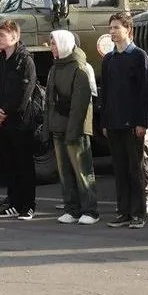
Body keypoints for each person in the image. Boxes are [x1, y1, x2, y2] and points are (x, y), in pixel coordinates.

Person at [101, 13, 148, 230]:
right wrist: (104, 121)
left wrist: (142, 122)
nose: (112, 31)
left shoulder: (139, 56)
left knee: (135, 168)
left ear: (128, 29)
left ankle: (138, 212)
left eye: (116, 27)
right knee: (120, 169)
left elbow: (145, 92)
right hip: (113, 123)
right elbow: (105, 93)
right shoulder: (109, 59)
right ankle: (123, 211)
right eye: (110, 28)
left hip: (132, 124)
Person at [0, 21, 38, 220]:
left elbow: (24, 94)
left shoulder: (25, 61)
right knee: (10, 164)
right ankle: (14, 203)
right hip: (2, 122)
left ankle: (28, 205)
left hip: (20, 122)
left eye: (2, 35)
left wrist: (5, 111)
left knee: (24, 165)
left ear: (15, 37)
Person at [47, 30, 99, 225]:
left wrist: (73, 130)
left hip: (75, 129)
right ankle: (72, 208)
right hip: (58, 127)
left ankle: (90, 210)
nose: (51, 47)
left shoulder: (79, 67)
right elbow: (49, 101)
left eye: (54, 44)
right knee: (65, 172)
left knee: (82, 171)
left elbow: (80, 104)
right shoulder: (55, 68)